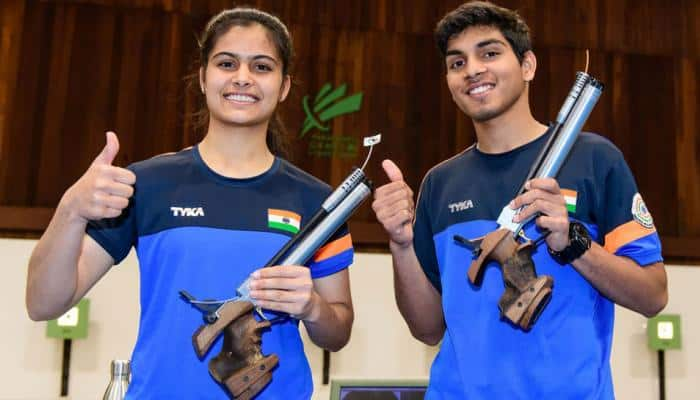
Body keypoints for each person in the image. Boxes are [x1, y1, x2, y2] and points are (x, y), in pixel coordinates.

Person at [25, 8, 354, 399]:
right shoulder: (147, 184)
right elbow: (43, 302)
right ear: (203, 77)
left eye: (262, 66)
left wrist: (313, 307)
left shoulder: (317, 201)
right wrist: (70, 209)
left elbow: (338, 331)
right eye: (227, 63)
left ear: (284, 86)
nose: (243, 78)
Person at [371, 1, 667, 398]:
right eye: (457, 63)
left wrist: (574, 243)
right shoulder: (440, 183)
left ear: (528, 65)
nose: (473, 69)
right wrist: (401, 244)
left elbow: (653, 295)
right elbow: (426, 329)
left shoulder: (594, 159)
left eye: (490, 53)